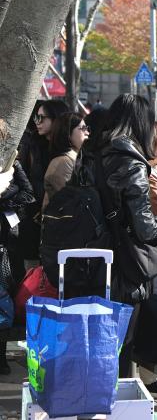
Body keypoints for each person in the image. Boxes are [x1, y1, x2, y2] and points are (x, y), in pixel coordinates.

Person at [82, 94, 157, 377]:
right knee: (121, 345)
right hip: (123, 267)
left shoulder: (90, 155)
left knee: (97, 344)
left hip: (89, 260)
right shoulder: (132, 163)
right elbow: (146, 229)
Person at [0, 118, 35, 375]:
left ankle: (1, 356)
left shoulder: (12, 165)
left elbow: (29, 194)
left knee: (5, 296)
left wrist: (4, 197)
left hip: (7, 241)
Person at [18, 100, 69, 266]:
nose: (37, 122)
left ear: (56, 120)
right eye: (36, 118)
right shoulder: (31, 144)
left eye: (42, 118)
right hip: (33, 216)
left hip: (60, 220)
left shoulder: (68, 149)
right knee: (32, 268)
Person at [42, 112, 89, 210]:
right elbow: (72, 202)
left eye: (87, 128)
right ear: (68, 132)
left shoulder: (76, 158)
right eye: (83, 128)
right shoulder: (63, 162)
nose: (87, 132)